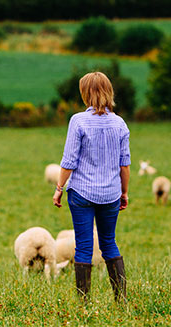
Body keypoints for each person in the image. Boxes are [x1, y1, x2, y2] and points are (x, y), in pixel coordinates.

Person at [52, 71, 130, 302]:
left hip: (81, 193)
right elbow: (124, 165)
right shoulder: (119, 123)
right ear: (108, 92)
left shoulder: (78, 121)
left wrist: (59, 187)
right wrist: (124, 192)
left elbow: (69, 161)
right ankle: (121, 300)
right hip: (110, 194)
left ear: (85, 94)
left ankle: (83, 303)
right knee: (109, 243)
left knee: (84, 246)